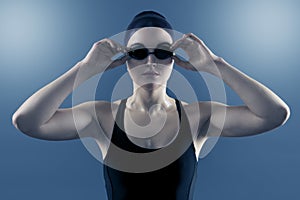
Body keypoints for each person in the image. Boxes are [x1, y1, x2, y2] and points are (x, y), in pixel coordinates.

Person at [12, 10, 290, 200]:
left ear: (173, 59)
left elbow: (275, 114)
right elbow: (26, 121)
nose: (150, 62)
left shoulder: (197, 116)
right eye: (138, 53)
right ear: (125, 60)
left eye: (162, 53)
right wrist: (83, 69)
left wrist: (216, 65)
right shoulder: (101, 116)